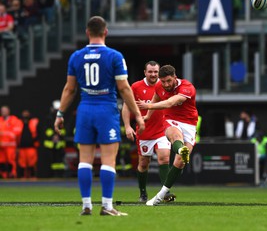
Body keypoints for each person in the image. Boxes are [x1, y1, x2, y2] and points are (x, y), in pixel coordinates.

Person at [54, 16, 145, 216]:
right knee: (108, 160)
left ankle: (86, 205)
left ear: (87, 33)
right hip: (105, 109)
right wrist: (137, 115)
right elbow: (124, 88)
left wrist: (60, 113)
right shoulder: (114, 56)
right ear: (106, 32)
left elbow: (69, 89)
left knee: (84, 160)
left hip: (85, 109)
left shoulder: (76, 56)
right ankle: (107, 206)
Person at [136, 64, 198, 206]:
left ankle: (160, 195)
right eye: (163, 81)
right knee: (175, 136)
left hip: (189, 124)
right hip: (170, 120)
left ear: (175, 78)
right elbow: (155, 99)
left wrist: (148, 107)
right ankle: (181, 150)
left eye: (168, 81)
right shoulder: (159, 86)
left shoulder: (187, 87)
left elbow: (170, 102)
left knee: (180, 163)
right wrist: (147, 117)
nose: (165, 84)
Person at [121, 61, 175, 203]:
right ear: (145, 72)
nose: (153, 74)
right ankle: (143, 193)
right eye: (150, 72)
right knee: (144, 163)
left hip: (163, 130)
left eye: (156, 72)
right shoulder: (136, 87)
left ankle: (165, 193)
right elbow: (126, 107)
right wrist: (127, 126)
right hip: (144, 131)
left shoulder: (165, 85)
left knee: (164, 158)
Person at [0, 105, 23, 178]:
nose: (3, 112)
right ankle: (3, 174)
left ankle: (12, 174)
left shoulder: (14, 120)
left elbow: (17, 131)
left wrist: (7, 133)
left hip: (10, 145)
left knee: (11, 161)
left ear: (8, 111)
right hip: (1, 146)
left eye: (5, 110)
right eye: (2, 111)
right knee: (1, 161)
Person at [17, 110, 40, 178]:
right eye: (24, 114)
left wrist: (36, 142)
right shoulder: (19, 123)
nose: (25, 115)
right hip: (22, 147)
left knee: (32, 163)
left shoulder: (34, 122)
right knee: (22, 163)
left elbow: (39, 133)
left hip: (31, 147)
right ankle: (22, 177)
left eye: (26, 114)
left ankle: (33, 176)